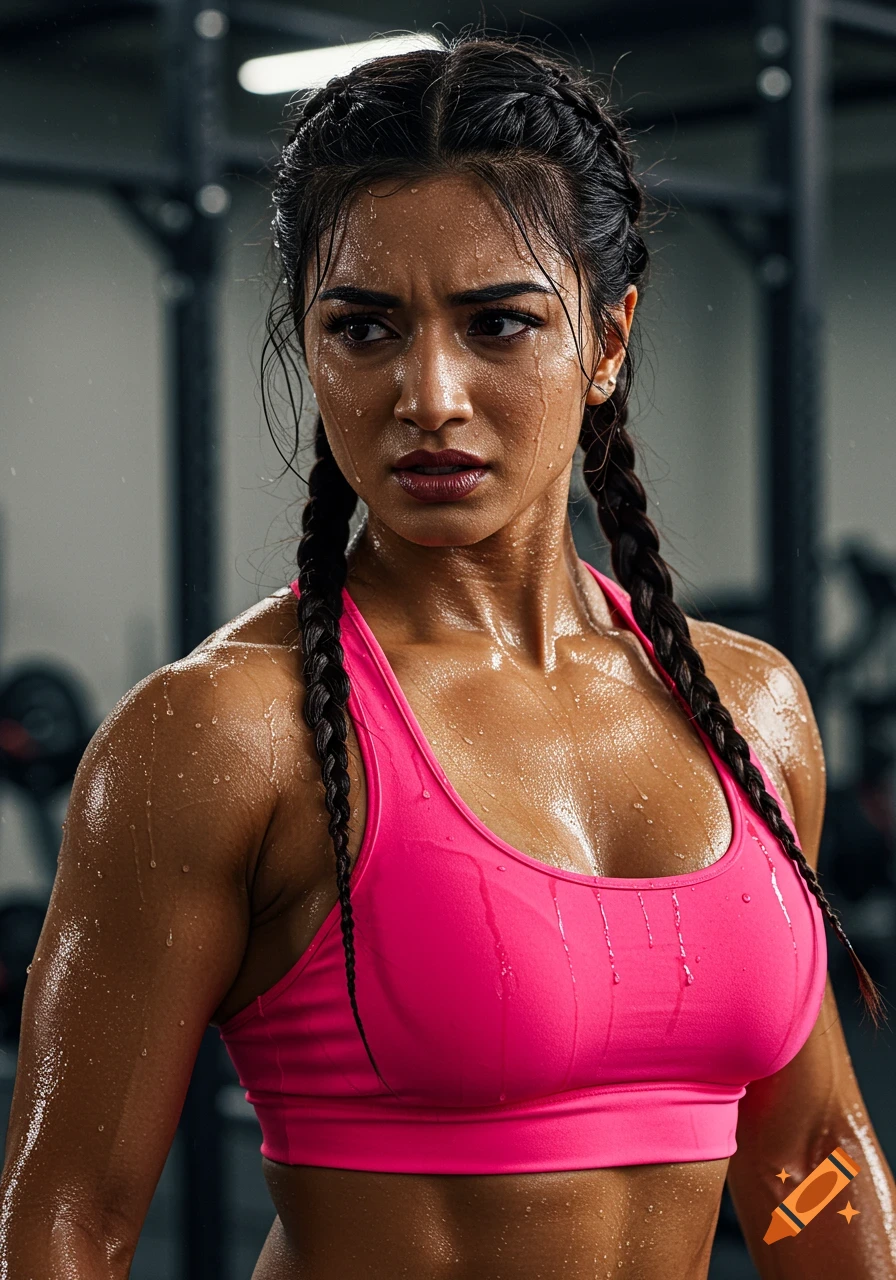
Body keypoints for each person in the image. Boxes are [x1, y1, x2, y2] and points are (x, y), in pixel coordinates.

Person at [1, 33, 893, 1280]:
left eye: (498, 324)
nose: (428, 391)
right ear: (310, 346)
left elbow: (804, 1161)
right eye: (364, 328)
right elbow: (70, 1224)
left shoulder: (750, 706)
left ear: (607, 341)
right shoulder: (223, 735)